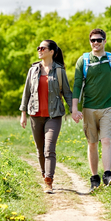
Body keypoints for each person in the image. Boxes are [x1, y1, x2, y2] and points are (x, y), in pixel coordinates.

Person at [71, 29, 111, 191]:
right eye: (93, 40)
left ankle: (107, 175)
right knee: (92, 143)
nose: (96, 43)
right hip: (89, 108)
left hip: (108, 107)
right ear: (90, 42)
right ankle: (95, 177)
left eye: (99, 40)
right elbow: (77, 85)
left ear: (105, 41)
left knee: (106, 140)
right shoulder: (83, 61)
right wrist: (74, 108)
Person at [19, 40, 73, 194]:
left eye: (43, 48)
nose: (39, 50)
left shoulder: (59, 71)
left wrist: (74, 110)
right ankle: (44, 175)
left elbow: (67, 93)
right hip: (35, 114)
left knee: (49, 148)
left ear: (52, 52)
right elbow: (26, 93)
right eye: (38, 48)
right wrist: (23, 114)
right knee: (40, 149)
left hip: (54, 115)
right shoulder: (33, 70)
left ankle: (49, 180)